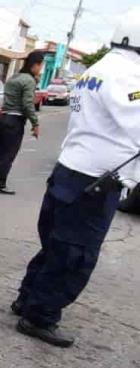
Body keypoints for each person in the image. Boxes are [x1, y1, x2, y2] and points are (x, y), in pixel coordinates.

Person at [12, 12, 140, 347]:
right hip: (94, 183)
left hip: (71, 171)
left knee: (55, 246)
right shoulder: (129, 76)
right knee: (74, 255)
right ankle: (39, 316)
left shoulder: (99, 70)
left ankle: (27, 300)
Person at [0, 51, 44, 194]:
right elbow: (27, 104)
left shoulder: (14, 77)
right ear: (35, 65)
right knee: (9, 152)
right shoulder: (28, 80)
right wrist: (35, 123)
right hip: (15, 121)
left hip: (3, 118)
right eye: (40, 66)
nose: (40, 69)